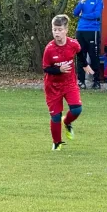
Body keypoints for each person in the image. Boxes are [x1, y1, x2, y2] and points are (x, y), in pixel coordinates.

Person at [42, 14, 94, 150]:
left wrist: (85, 65)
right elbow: (46, 68)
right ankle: (57, 143)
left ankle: (67, 121)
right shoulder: (49, 49)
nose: (56, 33)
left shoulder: (73, 44)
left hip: (69, 83)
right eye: (54, 29)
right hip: (52, 86)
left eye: (59, 29)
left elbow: (80, 53)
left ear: (66, 30)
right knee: (55, 116)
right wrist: (59, 69)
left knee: (77, 109)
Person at [73, 0, 104, 90]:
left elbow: (96, 14)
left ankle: (96, 81)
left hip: (92, 31)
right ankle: (81, 81)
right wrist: (81, 2)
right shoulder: (83, 0)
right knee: (80, 55)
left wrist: (83, 15)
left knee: (93, 56)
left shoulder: (98, 0)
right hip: (80, 30)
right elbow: (75, 13)